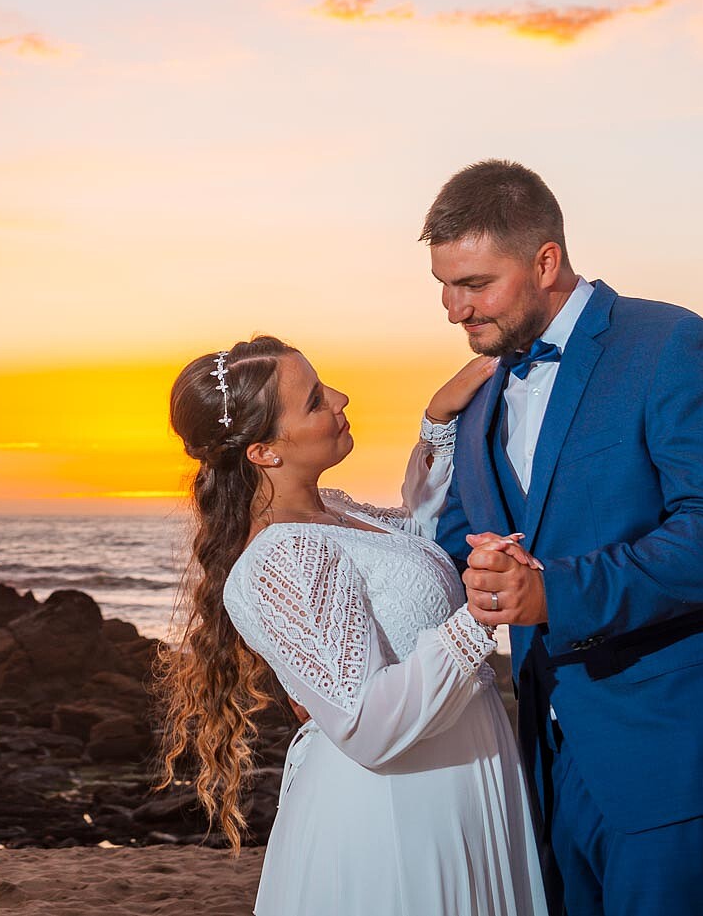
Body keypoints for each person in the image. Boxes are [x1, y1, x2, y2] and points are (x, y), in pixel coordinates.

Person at [426, 160, 703, 916]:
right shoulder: (477, 398)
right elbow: (449, 548)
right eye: (443, 285)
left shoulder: (674, 343)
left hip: (687, 755)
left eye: (474, 283)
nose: (453, 309)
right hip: (552, 760)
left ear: (545, 261)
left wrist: (555, 592)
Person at [157, 336, 547, 915]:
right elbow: (368, 725)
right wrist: (479, 615)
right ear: (263, 451)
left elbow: (418, 549)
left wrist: (439, 423)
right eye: (315, 400)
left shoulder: (338, 511)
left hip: (457, 774)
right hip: (399, 806)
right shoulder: (282, 559)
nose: (340, 397)